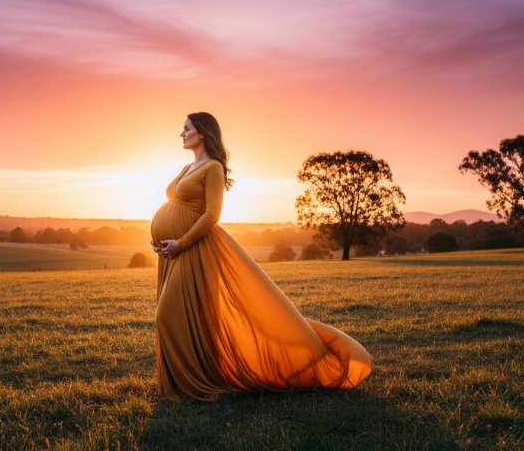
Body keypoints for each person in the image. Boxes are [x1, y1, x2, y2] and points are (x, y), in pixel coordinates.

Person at [149, 111, 373, 402]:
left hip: (195, 249)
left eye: (186, 128)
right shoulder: (186, 168)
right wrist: (163, 242)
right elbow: (176, 204)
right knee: (185, 318)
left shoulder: (213, 168)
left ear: (202, 132)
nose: (182, 133)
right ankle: (180, 385)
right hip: (173, 252)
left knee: (167, 315)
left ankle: (193, 385)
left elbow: (211, 215)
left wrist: (181, 242)